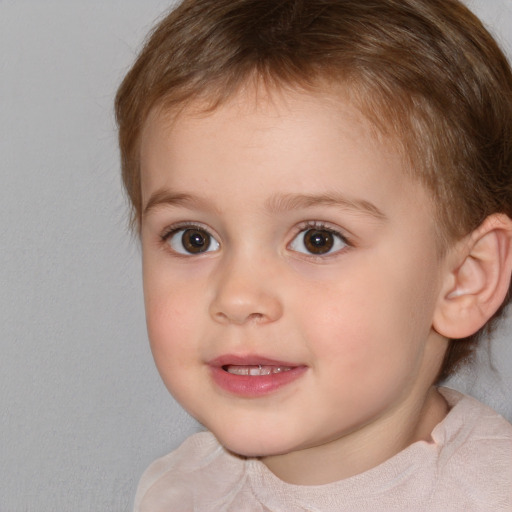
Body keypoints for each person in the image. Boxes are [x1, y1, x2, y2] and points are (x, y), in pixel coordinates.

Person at [115, 0, 512, 509]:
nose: (237, 298)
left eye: (317, 239)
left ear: (463, 279)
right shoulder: (176, 490)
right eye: (194, 238)